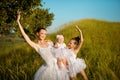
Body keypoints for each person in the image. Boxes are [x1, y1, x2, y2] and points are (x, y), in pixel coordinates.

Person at [17, 12, 69, 80]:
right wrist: (18, 22)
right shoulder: (36, 46)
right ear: (37, 34)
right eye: (42, 33)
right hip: (49, 69)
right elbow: (26, 36)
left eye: (45, 34)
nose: (43, 35)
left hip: (59, 66)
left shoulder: (49, 42)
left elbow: (60, 48)